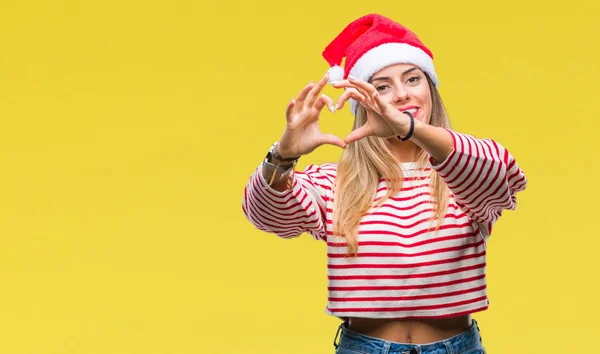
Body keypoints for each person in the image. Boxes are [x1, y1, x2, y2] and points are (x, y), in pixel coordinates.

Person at [242, 13, 527, 354]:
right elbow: (264, 214)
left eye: (412, 79)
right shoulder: (338, 182)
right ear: (362, 103)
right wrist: (284, 154)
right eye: (382, 86)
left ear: (431, 89)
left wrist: (411, 130)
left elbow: (502, 175)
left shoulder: (460, 174)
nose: (402, 94)